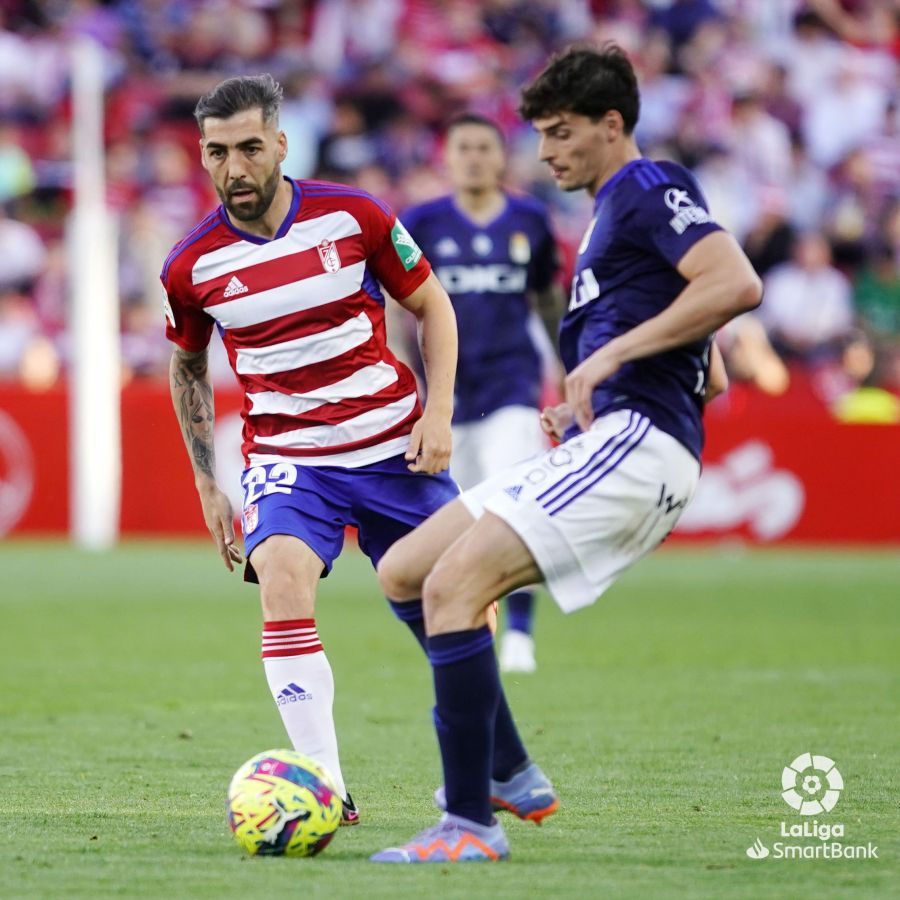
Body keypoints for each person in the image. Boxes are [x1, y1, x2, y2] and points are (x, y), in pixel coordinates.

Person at [371, 44, 761, 863]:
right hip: (622, 435)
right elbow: (712, 370)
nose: (544, 153)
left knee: (452, 587)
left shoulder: (650, 187)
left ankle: (469, 824)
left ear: (612, 126)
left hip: (642, 446)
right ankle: (507, 766)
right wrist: (604, 387)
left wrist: (612, 361)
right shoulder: (606, 220)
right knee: (405, 569)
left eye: (559, 133)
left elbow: (734, 284)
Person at [161, 74, 465, 827]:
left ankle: (486, 757)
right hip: (289, 457)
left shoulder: (354, 216)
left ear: (281, 145)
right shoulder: (191, 266)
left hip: (393, 442)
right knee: (284, 579)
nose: (234, 168)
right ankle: (324, 783)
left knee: (458, 597)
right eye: (217, 152)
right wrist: (207, 482)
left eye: (250, 148)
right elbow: (188, 365)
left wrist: (441, 412)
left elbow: (431, 304)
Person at [402, 113, 563, 674]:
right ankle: (468, 627)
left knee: (514, 502)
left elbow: (546, 300)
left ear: (501, 158)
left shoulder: (530, 220)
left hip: (512, 385)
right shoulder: (421, 221)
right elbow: (404, 307)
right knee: (457, 515)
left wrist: (564, 370)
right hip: (447, 396)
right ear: (447, 157)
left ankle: (520, 633)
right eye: (462, 147)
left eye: (483, 148)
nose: (472, 157)